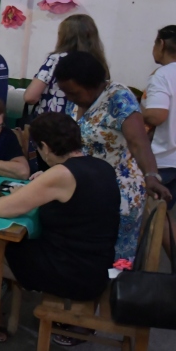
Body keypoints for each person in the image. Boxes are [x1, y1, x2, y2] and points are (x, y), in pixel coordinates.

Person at [0, 113, 120, 351]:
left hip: (76, 272)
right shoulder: (101, 166)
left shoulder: (62, 174)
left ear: (45, 147)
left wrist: (26, 192)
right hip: (96, 264)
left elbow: (1, 209)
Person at [54, 51, 172, 260]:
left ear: (92, 84)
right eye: (65, 93)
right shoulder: (75, 100)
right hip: (83, 188)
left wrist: (151, 176)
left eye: (73, 93)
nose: (69, 98)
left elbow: (138, 142)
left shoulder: (119, 98)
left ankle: (112, 281)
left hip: (118, 193)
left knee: (112, 260)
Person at [24, 14, 109, 116]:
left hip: (53, 120)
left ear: (64, 36)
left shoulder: (56, 59)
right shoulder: (98, 62)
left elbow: (31, 97)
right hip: (85, 121)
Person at [143, 25, 176, 256]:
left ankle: (139, 269)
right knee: (165, 217)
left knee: (152, 215)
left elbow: (157, 115)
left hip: (164, 160)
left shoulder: (163, 75)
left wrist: (134, 113)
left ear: (161, 44)